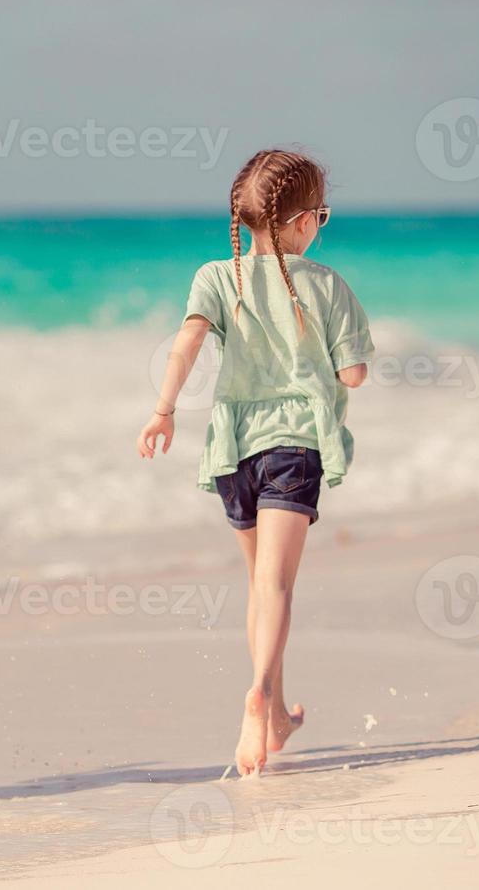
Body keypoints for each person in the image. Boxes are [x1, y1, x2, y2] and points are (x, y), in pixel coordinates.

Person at [136, 149, 374, 776]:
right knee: (277, 585)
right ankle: (260, 695)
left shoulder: (216, 275)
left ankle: (272, 719)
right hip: (294, 445)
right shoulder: (327, 284)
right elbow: (353, 372)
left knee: (259, 586)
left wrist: (163, 411)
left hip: (230, 447)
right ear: (300, 221)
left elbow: (186, 342)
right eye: (321, 214)